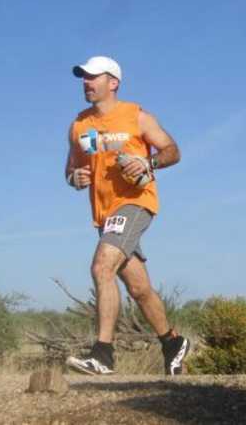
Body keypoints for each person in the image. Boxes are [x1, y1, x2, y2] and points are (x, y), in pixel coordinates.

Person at [64, 55, 190, 376]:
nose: (86, 82)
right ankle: (172, 342)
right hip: (104, 215)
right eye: (83, 77)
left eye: (93, 76)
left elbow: (171, 150)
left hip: (135, 202)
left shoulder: (136, 116)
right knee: (139, 288)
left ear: (113, 83)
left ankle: (103, 354)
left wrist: (150, 164)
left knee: (101, 267)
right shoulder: (80, 125)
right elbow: (71, 169)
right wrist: (75, 178)